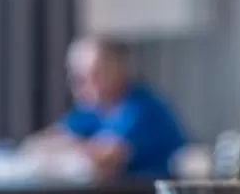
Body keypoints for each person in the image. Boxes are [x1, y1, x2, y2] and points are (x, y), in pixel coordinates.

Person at [34, 37, 188, 180]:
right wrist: (82, 148)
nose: (79, 84)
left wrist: (74, 148)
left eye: (92, 74)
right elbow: (38, 145)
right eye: (75, 76)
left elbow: (105, 160)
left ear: (117, 71)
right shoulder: (92, 110)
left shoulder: (143, 108)